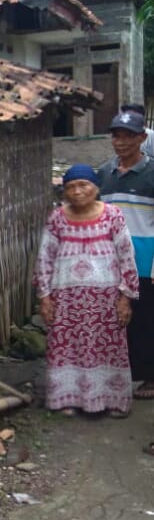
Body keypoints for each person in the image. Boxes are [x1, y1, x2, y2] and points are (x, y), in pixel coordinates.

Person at [34, 163, 139, 416]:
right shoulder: (57, 218)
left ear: (96, 188)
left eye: (83, 185)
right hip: (66, 299)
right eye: (70, 187)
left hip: (106, 298)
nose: (77, 192)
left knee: (108, 347)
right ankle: (67, 399)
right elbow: (45, 257)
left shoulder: (113, 215)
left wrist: (126, 297)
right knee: (67, 347)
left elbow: (127, 255)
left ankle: (113, 401)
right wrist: (45, 296)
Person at [97, 106, 154, 400]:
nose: (121, 142)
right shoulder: (104, 173)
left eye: (129, 136)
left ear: (142, 137)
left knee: (146, 320)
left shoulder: (152, 172)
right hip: (110, 262)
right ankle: (121, 374)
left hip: (145, 260)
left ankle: (150, 377)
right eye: (117, 136)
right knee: (116, 320)